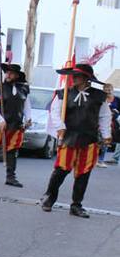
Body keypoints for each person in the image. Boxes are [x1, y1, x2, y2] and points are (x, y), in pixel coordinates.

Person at [42, 62, 108, 217]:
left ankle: (76, 205)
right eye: (73, 75)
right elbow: (55, 112)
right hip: (69, 137)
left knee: (83, 173)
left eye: (77, 75)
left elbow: (104, 117)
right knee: (61, 170)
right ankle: (49, 198)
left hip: (89, 139)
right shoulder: (63, 94)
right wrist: (60, 126)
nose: (73, 78)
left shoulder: (99, 96)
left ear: (86, 78)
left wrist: (106, 134)